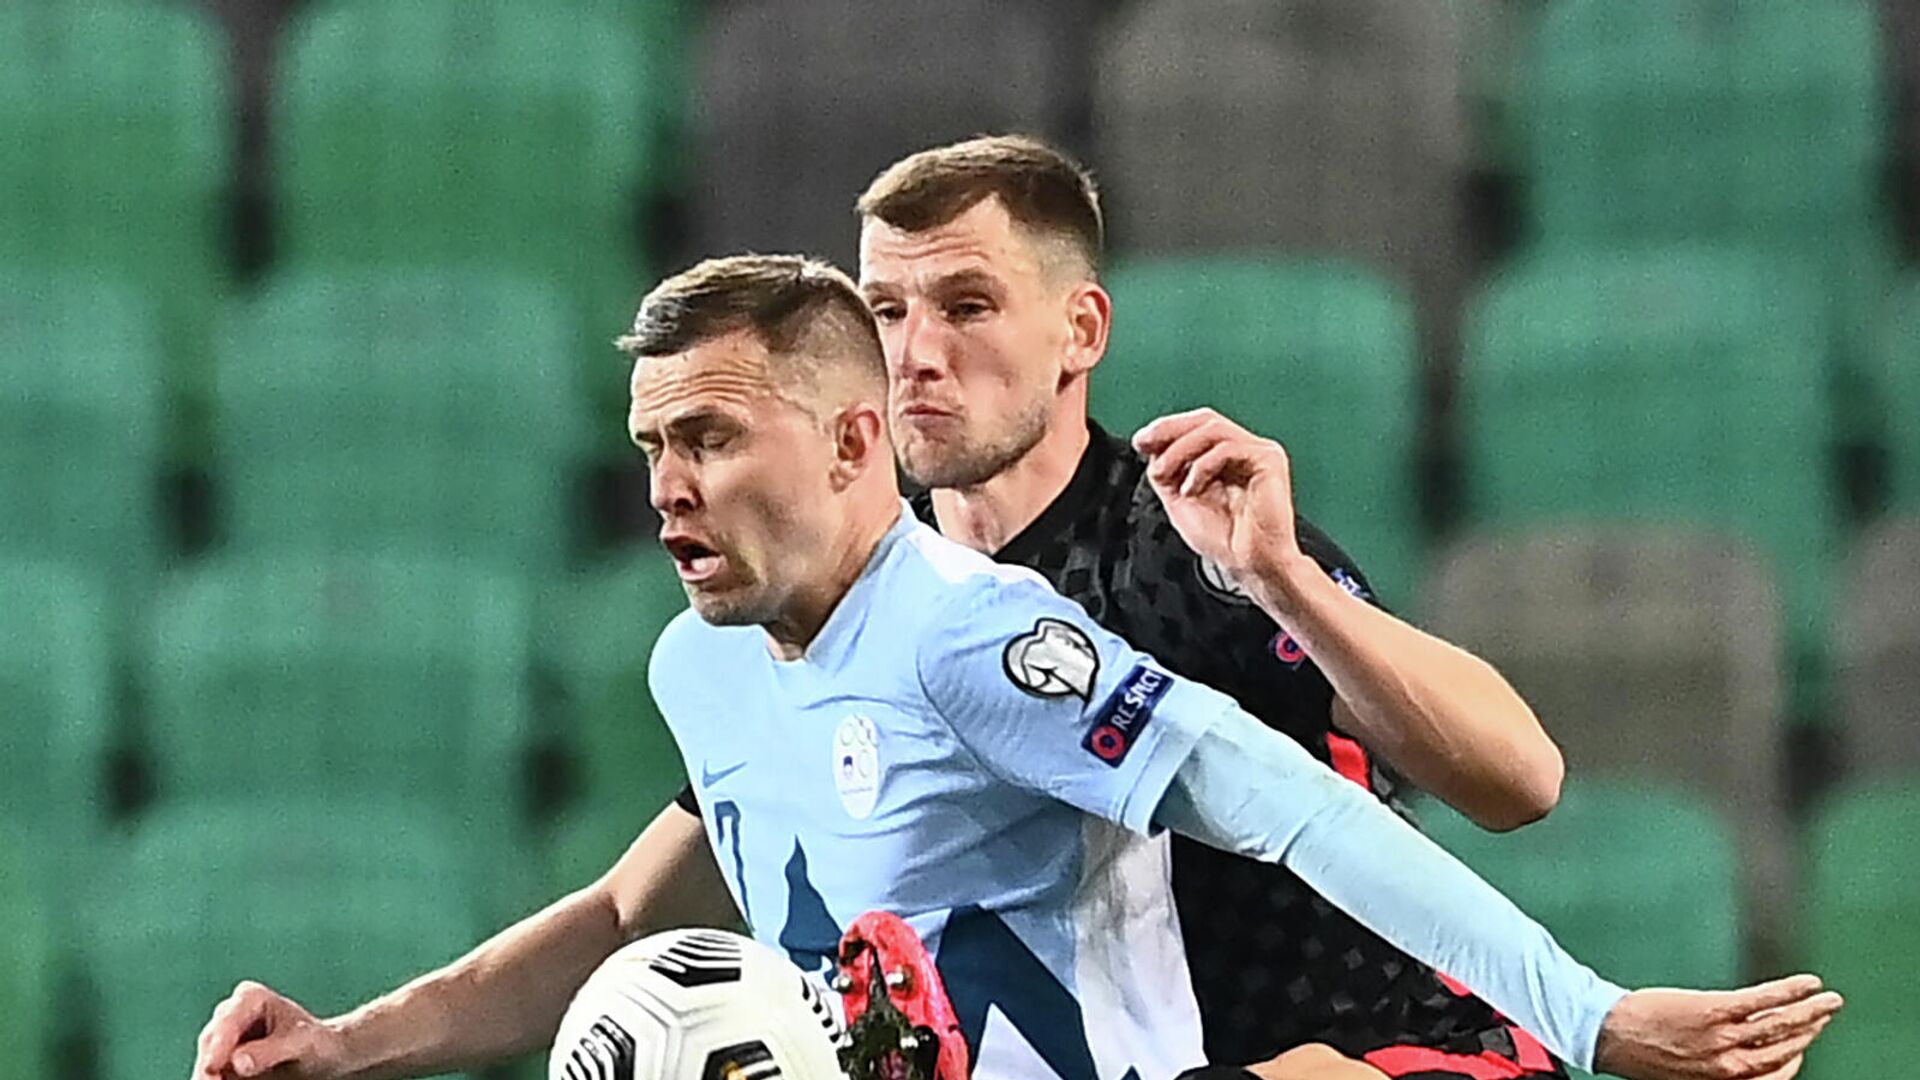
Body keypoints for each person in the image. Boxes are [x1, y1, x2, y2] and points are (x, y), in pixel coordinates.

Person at [190, 257, 1840, 1080]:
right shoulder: (704, 671)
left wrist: (1596, 1018)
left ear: (850, 441)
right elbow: (631, 921)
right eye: (648, 444)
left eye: (707, 436)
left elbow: (1295, 809)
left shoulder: (976, 641)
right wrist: (351, 1044)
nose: (665, 485)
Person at [849, 133, 1560, 1076]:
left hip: (1397, 1052)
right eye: (885, 311)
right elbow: (638, 897)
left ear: (1082, 331)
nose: (915, 355)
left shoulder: (1183, 544)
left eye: (967, 306)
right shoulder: (862, 597)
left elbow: (1521, 780)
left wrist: (1285, 582)